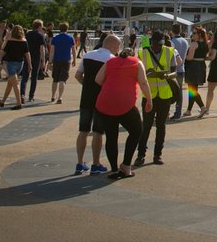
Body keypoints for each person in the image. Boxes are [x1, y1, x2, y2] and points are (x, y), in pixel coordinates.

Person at [94, 41, 153, 179]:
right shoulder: (137, 62)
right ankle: (126, 166)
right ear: (132, 54)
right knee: (136, 130)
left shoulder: (110, 61)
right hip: (125, 103)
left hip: (105, 101)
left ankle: (114, 169)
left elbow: (97, 79)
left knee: (111, 136)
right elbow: (143, 82)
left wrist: (110, 86)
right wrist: (149, 100)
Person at [135, 31, 179, 166]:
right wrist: (149, 74)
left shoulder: (169, 51)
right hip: (149, 95)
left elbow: (175, 72)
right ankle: (140, 155)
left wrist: (166, 75)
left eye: (160, 44)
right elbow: (138, 74)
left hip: (165, 95)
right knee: (146, 126)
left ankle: (157, 154)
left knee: (161, 126)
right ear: (151, 42)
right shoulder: (143, 53)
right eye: (155, 44)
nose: (158, 47)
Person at [74, 33, 115, 175]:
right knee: (98, 132)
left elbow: (78, 75)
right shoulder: (111, 59)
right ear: (110, 45)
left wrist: (87, 85)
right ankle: (96, 164)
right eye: (117, 46)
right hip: (101, 99)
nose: (117, 49)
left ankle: (80, 163)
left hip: (85, 97)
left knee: (83, 130)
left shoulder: (88, 55)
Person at [0, 25, 30, 110]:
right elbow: (27, 54)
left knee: (15, 84)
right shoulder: (24, 41)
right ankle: (2, 101)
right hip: (20, 64)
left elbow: (2, 51)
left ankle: (18, 103)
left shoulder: (9, 41)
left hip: (11, 63)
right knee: (10, 83)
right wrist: (30, 65)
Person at [20, 19, 47, 104]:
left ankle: (22, 95)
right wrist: (43, 60)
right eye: (42, 25)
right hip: (36, 58)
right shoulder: (40, 35)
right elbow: (42, 49)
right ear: (39, 26)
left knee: (25, 77)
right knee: (34, 77)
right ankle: (31, 96)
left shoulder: (27, 34)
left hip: (27, 57)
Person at [49, 22, 76, 104]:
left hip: (57, 60)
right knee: (62, 80)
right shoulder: (70, 38)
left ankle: (53, 96)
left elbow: (52, 51)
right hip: (66, 60)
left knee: (55, 79)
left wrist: (50, 62)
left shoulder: (55, 38)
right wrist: (74, 59)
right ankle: (60, 97)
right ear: (67, 29)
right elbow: (74, 50)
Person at [167, 23, 189, 120]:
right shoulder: (185, 41)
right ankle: (178, 112)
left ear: (171, 31)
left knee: (169, 91)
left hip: (172, 70)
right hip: (181, 68)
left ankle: (167, 111)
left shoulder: (171, 42)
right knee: (179, 91)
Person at [185, 26, 208, 117]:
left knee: (192, 89)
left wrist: (184, 58)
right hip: (201, 66)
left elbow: (190, 58)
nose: (192, 35)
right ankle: (188, 110)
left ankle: (202, 107)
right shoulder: (206, 44)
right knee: (194, 89)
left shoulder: (194, 44)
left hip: (193, 67)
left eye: (194, 33)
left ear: (199, 35)